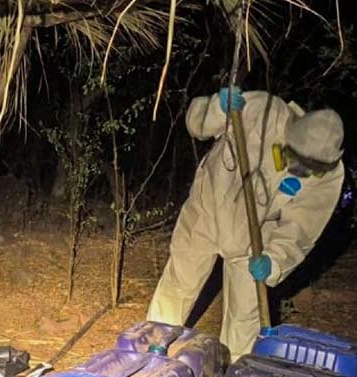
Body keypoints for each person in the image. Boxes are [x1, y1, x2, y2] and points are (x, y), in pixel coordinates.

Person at [147, 86, 345, 358]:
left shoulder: (329, 179)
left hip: (256, 238)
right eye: (296, 158)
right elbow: (197, 124)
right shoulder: (261, 109)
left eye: (311, 167)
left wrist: (274, 261)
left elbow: (301, 229)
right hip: (207, 210)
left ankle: (236, 373)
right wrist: (218, 108)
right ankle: (148, 349)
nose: (300, 169)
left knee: (245, 314)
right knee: (179, 284)